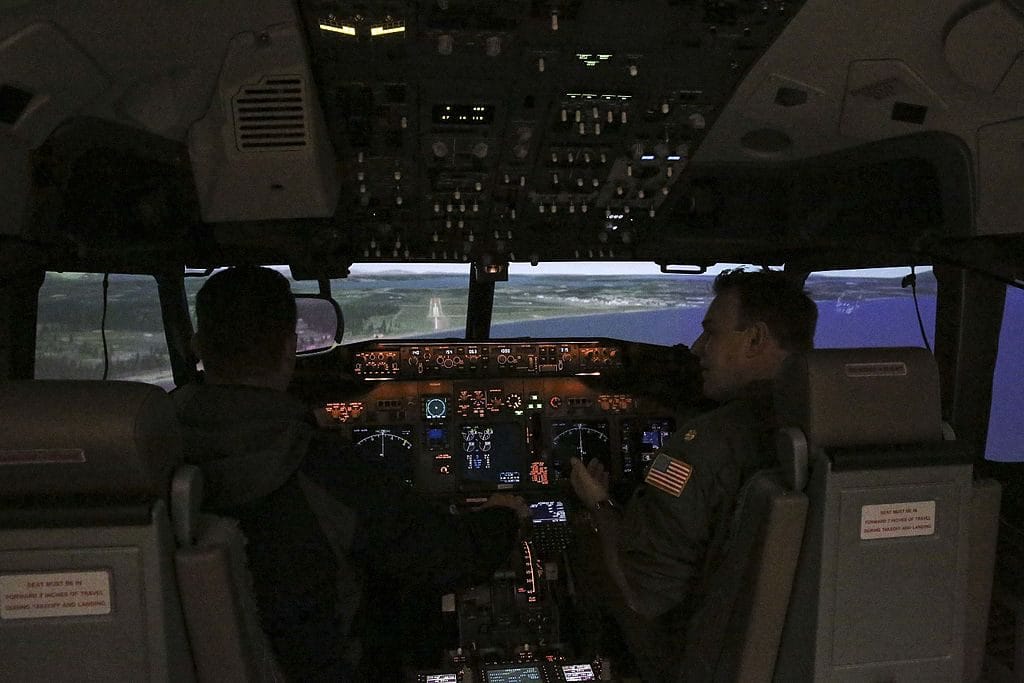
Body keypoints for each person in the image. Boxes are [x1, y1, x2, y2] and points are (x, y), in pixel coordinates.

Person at [173, 266, 528, 681]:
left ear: (197, 346)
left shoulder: (155, 449)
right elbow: (445, 559)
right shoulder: (316, 463)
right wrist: (504, 514)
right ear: (289, 348)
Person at [569, 267, 818, 681]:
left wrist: (598, 503)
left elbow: (642, 592)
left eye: (711, 333)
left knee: (579, 547)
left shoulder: (704, 446)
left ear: (755, 338)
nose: (699, 347)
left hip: (706, 662)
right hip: (802, 652)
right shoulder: (842, 429)